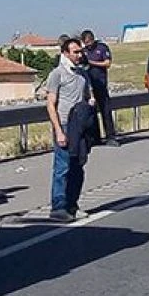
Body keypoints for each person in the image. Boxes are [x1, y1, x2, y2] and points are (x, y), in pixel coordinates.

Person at [45, 37, 94, 222]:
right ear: (65, 53)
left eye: (80, 51)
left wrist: (90, 104)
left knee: (78, 166)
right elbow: (50, 104)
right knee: (62, 167)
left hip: (80, 126)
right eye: (75, 52)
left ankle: (73, 205)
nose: (79, 55)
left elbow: (88, 95)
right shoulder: (57, 74)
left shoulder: (82, 74)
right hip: (65, 124)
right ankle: (58, 206)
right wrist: (58, 130)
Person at [80, 30, 118, 145]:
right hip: (88, 86)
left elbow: (107, 63)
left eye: (89, 42)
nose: (88, 44)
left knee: (105, 110)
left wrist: (91, 62)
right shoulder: (84, 51)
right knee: (91, 112)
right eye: (85, 43)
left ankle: (110, 136)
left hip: (100, 84)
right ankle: (95, 137)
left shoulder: (102, 48)